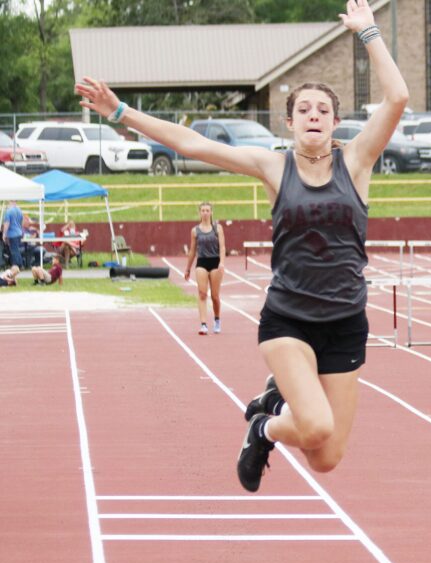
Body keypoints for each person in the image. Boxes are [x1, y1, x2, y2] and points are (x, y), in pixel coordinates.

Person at [75, 0, 409, 492]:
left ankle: (272, 409)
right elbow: (193, 144)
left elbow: (397, 97)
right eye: (303, 110)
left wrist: (368, 33)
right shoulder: (274, 167)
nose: (313, 115)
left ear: (336, 122)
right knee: (314, 425)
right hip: (289, 318)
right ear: (290, 123)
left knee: (327, 458)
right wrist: (121, 111)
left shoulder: (357, 162)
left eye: (322, 110)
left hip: (345, 321)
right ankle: (264, 427)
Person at [184, 202, 225, 335]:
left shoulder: (217, 228)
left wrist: (222, 263)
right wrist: (188, 269)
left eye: (207, 210)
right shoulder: (195, 230)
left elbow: (223, 247)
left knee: (215, 296)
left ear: (211, 212)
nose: (205, 213)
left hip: (215, 262)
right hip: (201, 262)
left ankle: (217, 320)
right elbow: (192, 250)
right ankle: (203, 324)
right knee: (202, 294)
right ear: (199, 213)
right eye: (203, 210)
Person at [2, 200, 25, 268]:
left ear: (10, 201)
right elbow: (21, 222)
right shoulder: (19, 210)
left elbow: (7, 223)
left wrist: (4, 234)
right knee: (16, 249)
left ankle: (17, 265)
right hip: (19, 233)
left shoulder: (8, 211)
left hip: (12, 234)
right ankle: (19, 264)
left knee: (14, 250)